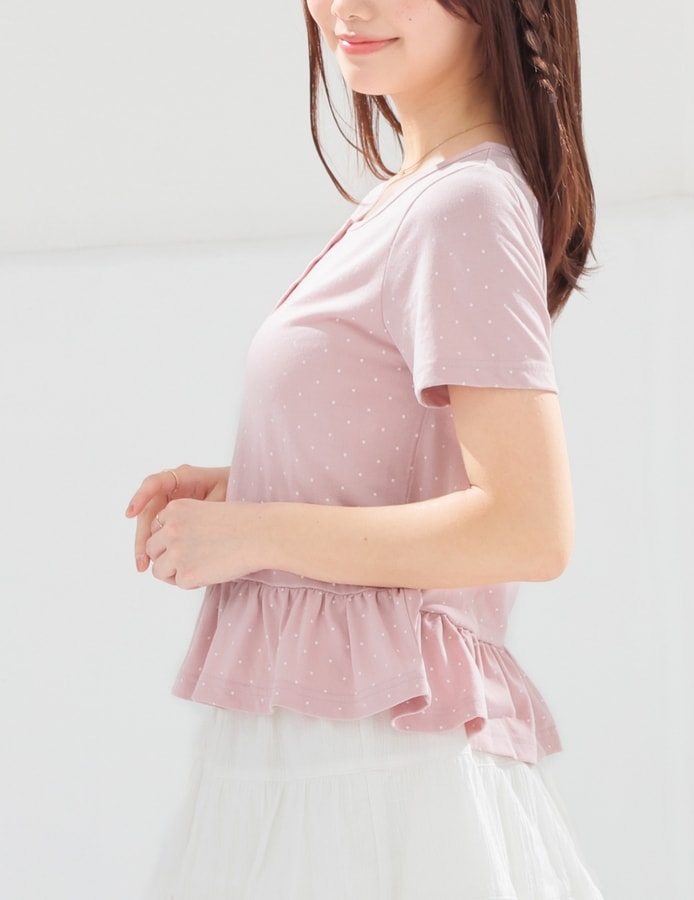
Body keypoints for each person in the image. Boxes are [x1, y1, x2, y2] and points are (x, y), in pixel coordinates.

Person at [126, 1, 601, 897]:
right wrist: (249, 488)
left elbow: (529, 527)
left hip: (375, 750)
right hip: (341, 734)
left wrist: (255, 533)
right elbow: (406, 459)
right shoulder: (419, 196)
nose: (348, 4)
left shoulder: (463, 203)